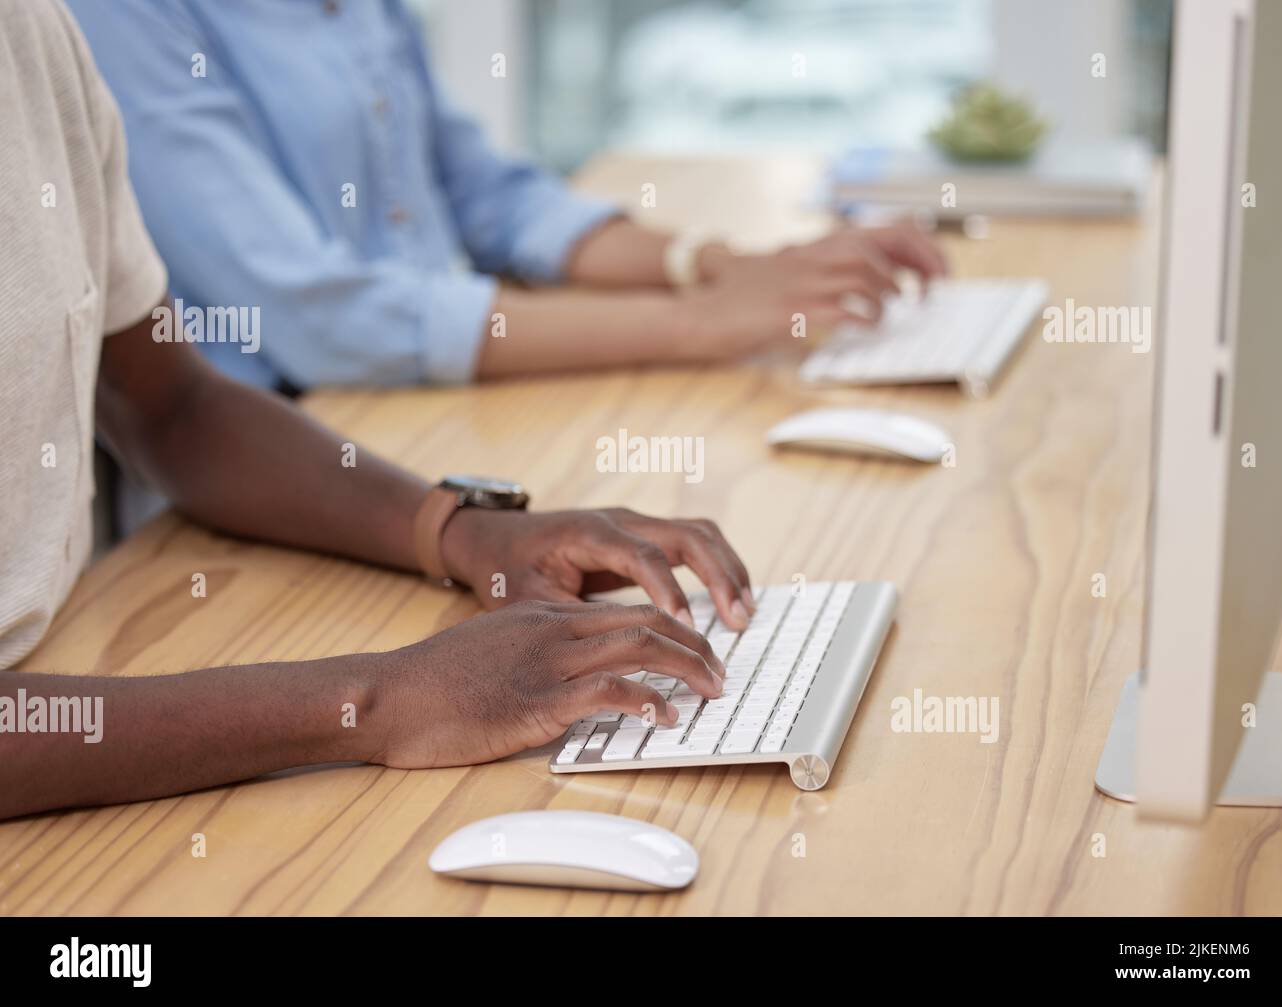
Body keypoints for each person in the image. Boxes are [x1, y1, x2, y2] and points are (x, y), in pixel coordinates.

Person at [0, 0, 754, 821]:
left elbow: (171, 405)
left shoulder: (35, 34)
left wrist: (463, 527)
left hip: (78, 666)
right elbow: (318, 317)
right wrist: (377, 699)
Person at [65, 0, 948, 394]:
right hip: (286, 459)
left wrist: (727, 263)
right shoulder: (118, 15)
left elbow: (485, 195)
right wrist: (701, 321)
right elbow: (316, 317)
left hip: (442, 399)